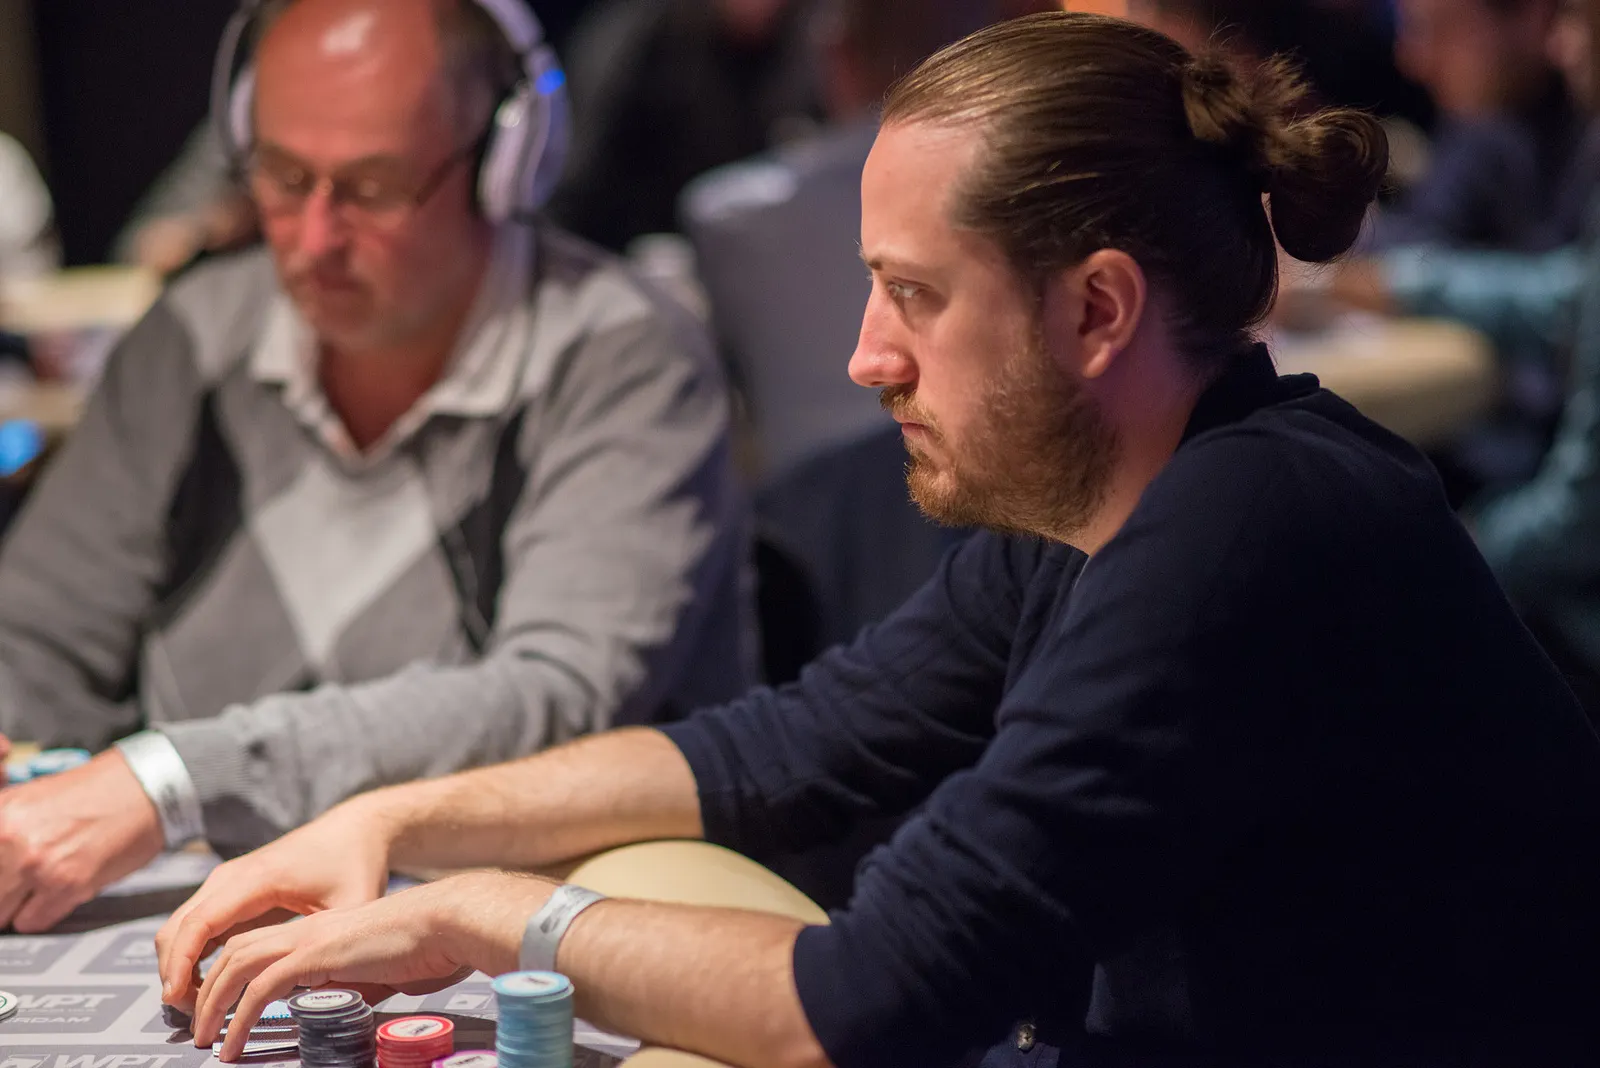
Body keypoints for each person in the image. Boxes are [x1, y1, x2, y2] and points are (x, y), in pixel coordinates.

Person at [160, 12, 1600, 1068]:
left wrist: (485, 919)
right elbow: (782, 747)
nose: (866, 358)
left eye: (914, 294)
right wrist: (389, 823)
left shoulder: (1244, 533)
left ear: (1097, 310)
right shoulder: (1108, 498)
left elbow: (862, 1004)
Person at [0, 0, 749, 935]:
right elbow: (38, 644)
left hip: (494, 924)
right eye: (283, 177)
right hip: (193, 906)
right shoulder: (189, 339)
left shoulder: (625, 356)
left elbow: (556, 697)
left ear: (504, 161)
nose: (314, 239)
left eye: (373, 188)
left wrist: (174, 781)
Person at [546, 0, 824, 252]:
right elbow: (574, 195)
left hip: (759, 259)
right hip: (635, 261)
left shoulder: (816, 38)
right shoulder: (635, 44)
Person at [1376, 0, 1592, 250]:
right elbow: (1423, 229)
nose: (1412, 61)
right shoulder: (1485, 123)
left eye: (1440, 29)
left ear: (1533, 15)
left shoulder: (1586, 129)